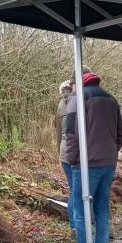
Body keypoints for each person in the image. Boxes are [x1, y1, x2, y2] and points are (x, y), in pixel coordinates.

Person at [64, 71, 122, 243]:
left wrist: (72, 160)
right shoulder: (111, 99)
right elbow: (120, 134)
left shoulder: (78, 98)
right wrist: (111, 153)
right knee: (102, 213)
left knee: (81, 213)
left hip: (85, 165)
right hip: (108, 164)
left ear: (76, 83)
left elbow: (71, 134)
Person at [56, 80, 74, 231]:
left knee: (73, 190)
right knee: (82, 190)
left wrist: (59, 152)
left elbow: (57, 133)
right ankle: (83, 224)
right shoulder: (78, 103)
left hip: (64, 152)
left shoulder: (60, 104)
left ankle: (73, 226)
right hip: (76, 152)